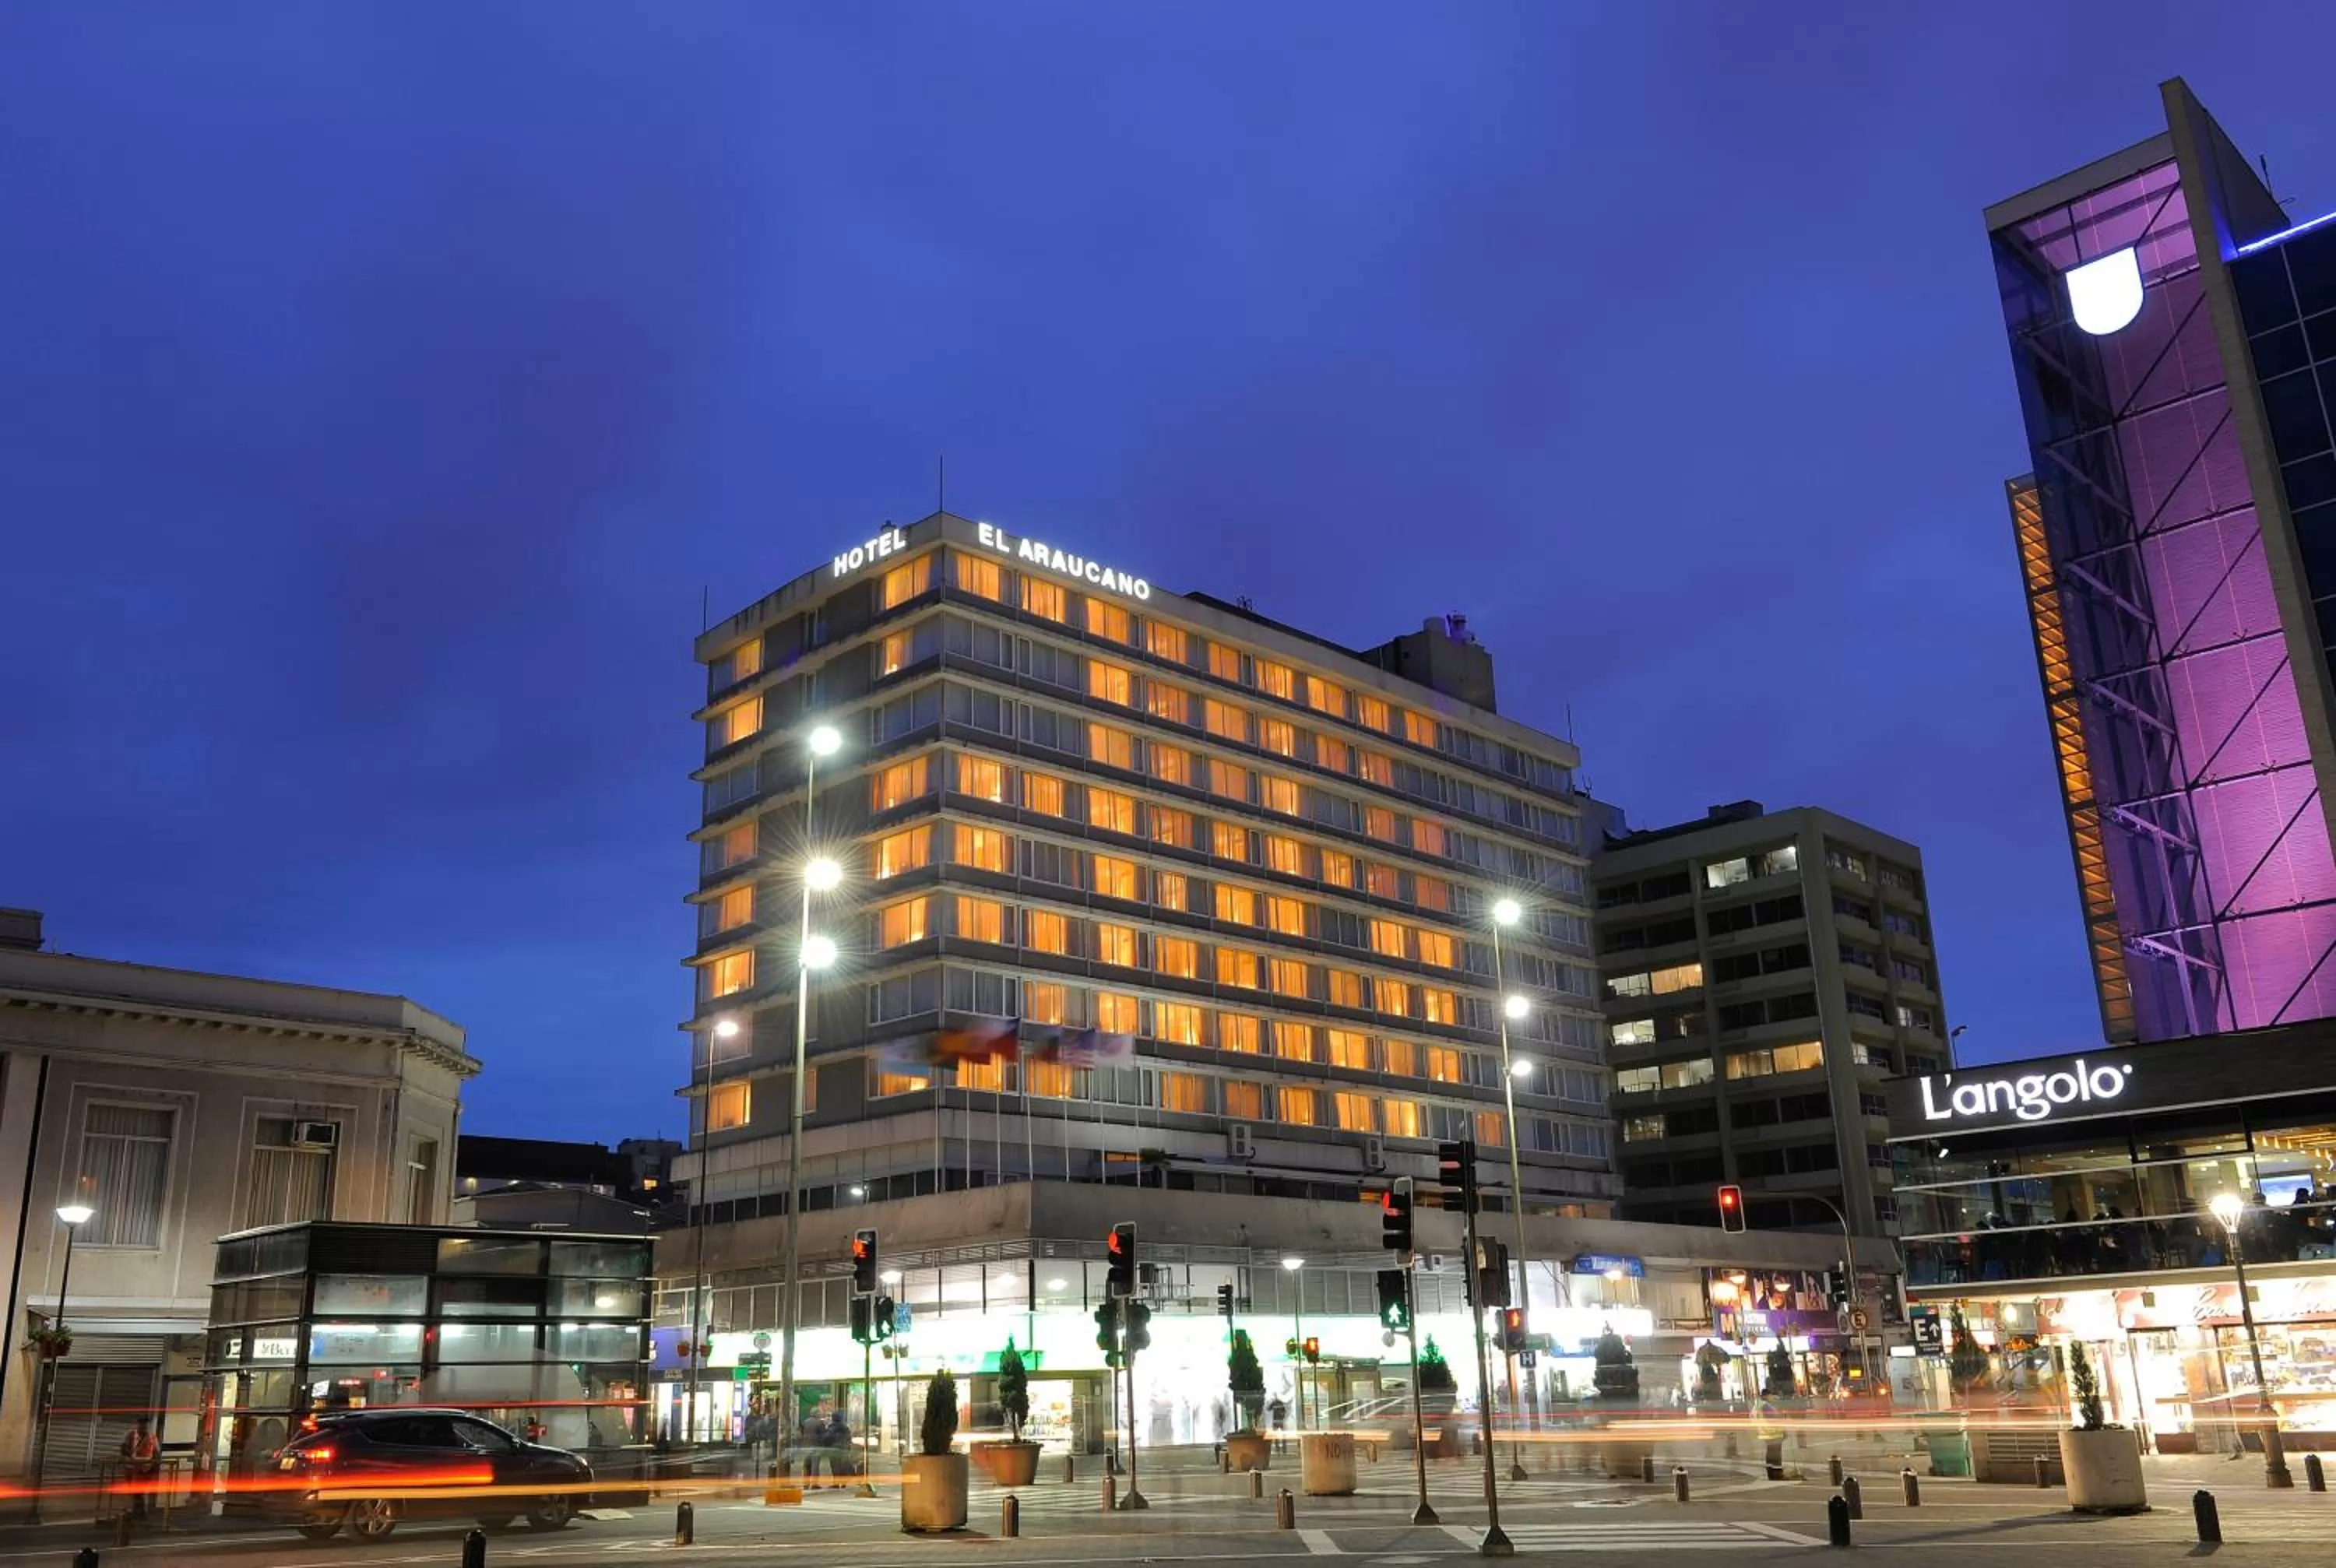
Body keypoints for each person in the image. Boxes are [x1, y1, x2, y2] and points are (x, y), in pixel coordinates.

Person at [119, 1416, 160, 1520]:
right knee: (134, 1491)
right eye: (142, 1424)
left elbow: (156, 1452)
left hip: (146, 1469)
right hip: (131, 1468)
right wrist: (130, 1455)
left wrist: (155, 1466)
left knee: (140, 1491)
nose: (144, 1427)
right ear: (138, 1425)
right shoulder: (130, 1435)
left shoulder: (152, 1437)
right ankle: (138, 1511)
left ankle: (140, 1512)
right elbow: (123, 1449)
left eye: (145, 1425)